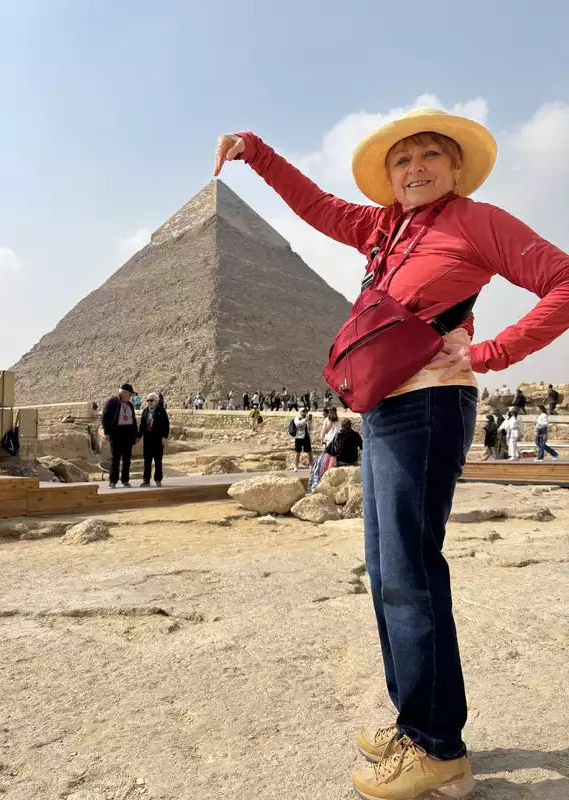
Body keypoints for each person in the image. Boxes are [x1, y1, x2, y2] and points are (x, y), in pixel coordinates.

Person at [215, 104, 569, 799]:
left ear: (457, 167)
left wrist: (493, 351)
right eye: (402, 159)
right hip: (381, 407)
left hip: (432, 405)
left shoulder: (479, 221)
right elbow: (315, 205)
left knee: (409, 569)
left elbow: (563, 280)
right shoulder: (384, 227)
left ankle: (438, 747)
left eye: (431, 155)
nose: (415, 168)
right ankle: (418, 722)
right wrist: (254, 151)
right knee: (385, 569)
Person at [101, 383, 139, 488]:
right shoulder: (112, 402)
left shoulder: (130, 405)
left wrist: (136, 435)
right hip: (116, 434)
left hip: (128, 434)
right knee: (115, 459)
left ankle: (125, 481)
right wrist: (107, 432)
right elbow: (105, 417)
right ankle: (112, 481)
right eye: (130, 394)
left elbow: (133, 420)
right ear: (123, 392)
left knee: (127, 459)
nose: (131, 396)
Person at [139, 393, 170, 486]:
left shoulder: (161, 411)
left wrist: (164, 437)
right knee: (147, 461)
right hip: (148, 439)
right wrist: (138, 436)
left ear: (156, 401)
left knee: (158, 460)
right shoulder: (145, 411)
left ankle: (158, 479)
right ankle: (146, 480)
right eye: (148, 400)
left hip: (158, 439)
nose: (149, 402)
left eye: (151, 400)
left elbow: (166, 425)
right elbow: (142, 425)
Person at [291, 408, 313, 472]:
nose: (304, 412)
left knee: (309, 452)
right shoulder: (297, 417)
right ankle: (296, 467)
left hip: (306, 437)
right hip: (299, 437)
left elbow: (311, 428)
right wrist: (305, 419)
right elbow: (298, 424)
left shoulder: (307, 419)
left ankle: (311, 465)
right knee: (297, 452)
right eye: (303, 411)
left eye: (305, 411)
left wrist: (310, 421)